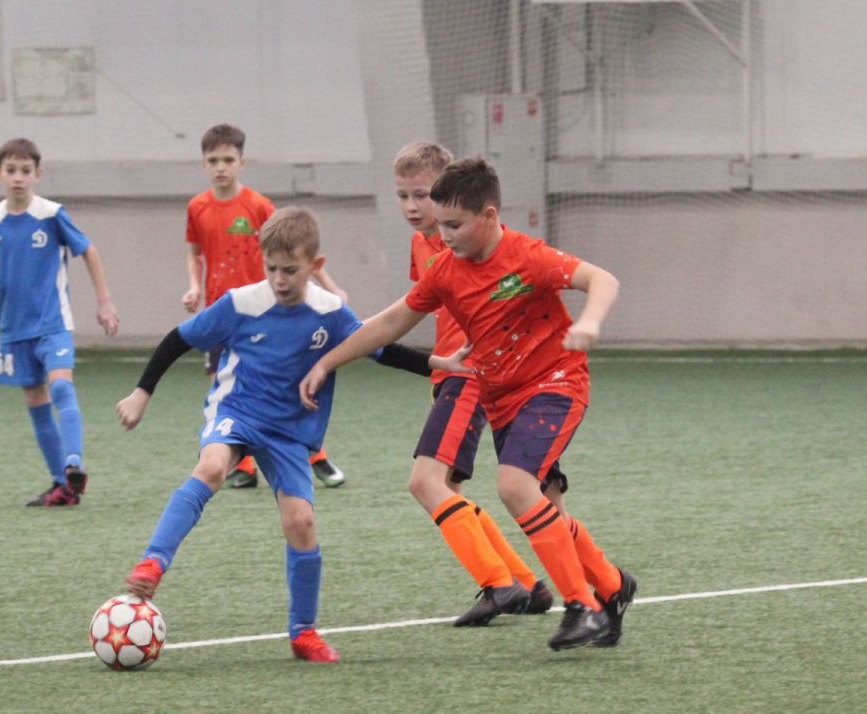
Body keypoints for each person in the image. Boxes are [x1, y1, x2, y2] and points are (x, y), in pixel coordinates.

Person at [301, 158, 637, 650]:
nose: (444, 235)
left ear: (490, 215)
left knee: (514, 486)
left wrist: (589, 322)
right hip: (501, 398)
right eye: (441, 224)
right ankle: (611, 584)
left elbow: (602, 279)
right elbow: (391, 322)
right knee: (541, 502)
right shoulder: (445, 270)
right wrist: (328, 362)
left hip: (555, 384)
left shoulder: (529, 257)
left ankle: (583, 608)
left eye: (454, 225)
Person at [117, 206, 464, 663]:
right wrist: (142, 393)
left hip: (288, 432)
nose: (279, 280)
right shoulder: (241, 303)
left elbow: (380, 348)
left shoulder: (330, 312)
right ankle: (153, 562)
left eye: (290, 270)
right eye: (272, 269)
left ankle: (303, 632)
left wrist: (436, 364)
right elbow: (178, 339)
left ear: (316, 265)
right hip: (237, 411)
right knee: (212, 467)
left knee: (301, 522)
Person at [393, 142, 553, 626]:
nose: (412, 207)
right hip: (448, 374)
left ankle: (500, 583)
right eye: (402, 196)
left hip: (470, 376)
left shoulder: (467, 242)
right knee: (448, 487)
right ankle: (525, 583)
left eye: (422, 195)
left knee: (425, 482)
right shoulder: (423, 244)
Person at [184, 123, 347, 490]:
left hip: (267, 313)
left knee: (288, 390)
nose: (221, 167)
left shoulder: (258, 206)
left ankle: (316, 455)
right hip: (224, 313)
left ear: (241, 162)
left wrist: (331, 287)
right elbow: (194, 254)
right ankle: (243, 466)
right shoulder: (197, 207)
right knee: (224, 386)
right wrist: (194, 286)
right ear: (203, 164)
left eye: (228, 160)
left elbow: (297, 251)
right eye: (213, 160)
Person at [0, 137, 119, 507]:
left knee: (62, 386)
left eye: (25, 171)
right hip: (13, 329)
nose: (18, 177)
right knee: (35, 399)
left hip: (53, 323)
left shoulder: (51, 215)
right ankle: (62, 486)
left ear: (38, 174)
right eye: (11, 170)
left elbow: (89, 250)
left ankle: (74, 463)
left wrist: (104, 302)